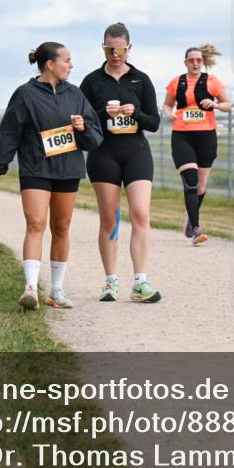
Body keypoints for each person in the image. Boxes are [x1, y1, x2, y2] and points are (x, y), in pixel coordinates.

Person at [0, 42, 102, 311]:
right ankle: (30, 288)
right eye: (67, 60)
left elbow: (95, 138)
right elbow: (8, 133)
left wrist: (83, 128)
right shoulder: (25, 94)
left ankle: (56, 291)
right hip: (35, 168)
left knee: (61, 227)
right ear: (50, 64)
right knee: (36, 223)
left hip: (68, 170)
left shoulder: (76, 95)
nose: (71, 65)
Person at [79, 22, 162, 303]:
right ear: (103, 48)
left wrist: (135, 112)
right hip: (104, 154)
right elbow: (83, 122)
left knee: (140, 214)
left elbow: (154, 123)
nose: (115, 54)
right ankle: (110, 281)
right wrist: (104, 112)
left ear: (129, 48)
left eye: (120, 49)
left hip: (136, 151)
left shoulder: (141, 79)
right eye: (109, 48)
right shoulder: (91, 82)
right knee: (110, 219)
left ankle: (140, 282)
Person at [162, 44, 232, 245]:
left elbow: (228, 106)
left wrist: (216, 105)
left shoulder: (212, 81)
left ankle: (190, 219)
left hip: (206, 137)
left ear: (203, 62)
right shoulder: (176, 82)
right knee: (191, 182)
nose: (195, 63)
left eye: (199, 60)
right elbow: (167, 104)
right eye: (191, 60)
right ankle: (196, 230)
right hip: (182, 136)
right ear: (185, 62)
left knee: (200, 187)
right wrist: (168, 113)